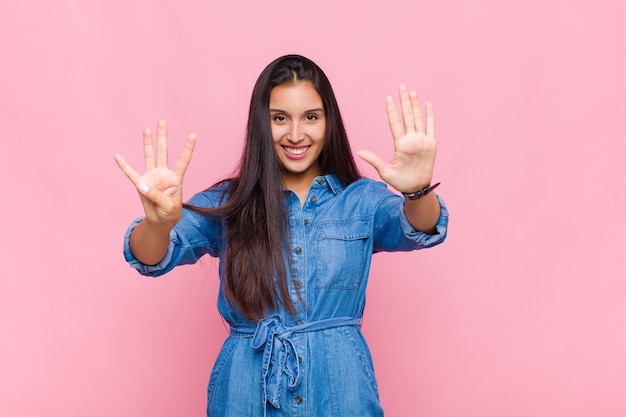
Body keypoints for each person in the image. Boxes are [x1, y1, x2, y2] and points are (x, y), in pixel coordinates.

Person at [115, 54, 448, 416]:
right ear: (262, 124)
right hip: (245, 395)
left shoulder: (361, 201)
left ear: (328, 122)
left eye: (310, 117)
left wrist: (418, 190)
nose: (295, 134)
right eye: (279, 119)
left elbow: (419, 227)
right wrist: (158, 224)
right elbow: (151, 257)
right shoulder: (229, 203)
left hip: (341, 392)